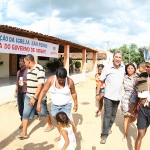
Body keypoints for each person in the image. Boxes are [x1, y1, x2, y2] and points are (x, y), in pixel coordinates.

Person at [18, 54, 53, 140]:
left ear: (29, 61)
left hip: (39, 97)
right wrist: (25, 82)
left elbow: (40, 85)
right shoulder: (28, 69)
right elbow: (32, 81)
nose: (24, 64)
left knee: (42, 112)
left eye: (25, 62)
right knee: (25, 113)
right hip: (28, 95)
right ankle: (24, 133)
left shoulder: (39, 69)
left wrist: (34, 98)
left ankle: (50, 124)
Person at [96, 50, 125, 144]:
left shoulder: (123, 67)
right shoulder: (107, 67)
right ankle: (104, 135)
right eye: (116, 57)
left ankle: (108, 128)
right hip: (108, 96)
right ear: (113, 57)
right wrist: (97, 93)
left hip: (118, 96)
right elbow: (101, 81)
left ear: (121, 58)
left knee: (113, 115)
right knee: (107, 116)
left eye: (119, 57)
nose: (118, 59)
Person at [37, 67, 78, 132]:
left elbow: (73, 93)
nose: (61, 81)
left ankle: (72, 135)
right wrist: (39, 103)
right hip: (55, 105)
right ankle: (62, 135)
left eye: (63, 80)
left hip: (66, 105)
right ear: (56, 76)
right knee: (58, 121)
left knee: (67, 121)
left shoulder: (70, 81)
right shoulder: (51, 80)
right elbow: (44, 91)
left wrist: (76, 104)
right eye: (59, 80)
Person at [121, 63, 138, 139]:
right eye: (128, 68)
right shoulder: (124, 77)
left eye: (132, 68)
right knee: (126, 117)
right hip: (125, 99)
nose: (130, 69)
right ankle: (125, 134)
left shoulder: (138, 78)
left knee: (134, 117)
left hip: (135, 100)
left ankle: (127, 123)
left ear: (134, 69)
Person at [135, 61, 150, 150]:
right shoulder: (142, 76)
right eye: (146, 66)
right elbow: (139, 93)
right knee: (140, 133)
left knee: (143, 131)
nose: (146, 68)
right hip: (143, 109)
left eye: (148, 67)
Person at [15, 57, 27, 129]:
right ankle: (22, 119)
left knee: (25, 108)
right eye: (19, 61)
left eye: (22, 61)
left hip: (26, 92)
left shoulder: (28, 71)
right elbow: (17, 82)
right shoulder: (18, 72)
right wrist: (15, 90)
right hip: (19, 92)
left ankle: (23, 122)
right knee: (20, 108)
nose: (20, 62)